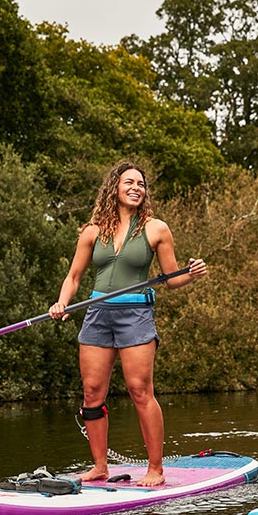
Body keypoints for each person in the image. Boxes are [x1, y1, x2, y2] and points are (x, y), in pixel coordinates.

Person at [49, 161, 207, 486]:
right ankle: (99, 467)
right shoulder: (92, 231)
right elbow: (74, 276)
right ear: (115, 188)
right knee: (92, 392)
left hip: (135, 315)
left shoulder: (156, 229)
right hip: (97, 315)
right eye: (129, 182)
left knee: (139, 390)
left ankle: (155, 469)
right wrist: (63, 302)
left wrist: (191, 274)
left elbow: (171, 279)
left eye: (141, 184)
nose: (136, 187)